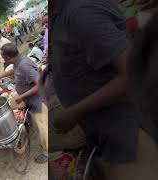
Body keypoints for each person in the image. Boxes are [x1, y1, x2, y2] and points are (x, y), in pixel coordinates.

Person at [47, 0, 139, 179]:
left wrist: (75, 111)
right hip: (100, 127)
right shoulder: (59, 13)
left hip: (122, 128)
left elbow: (132, 76)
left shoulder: (82, 13)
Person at [0, 43, 48, 163]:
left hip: (38, 100)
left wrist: (21, 96)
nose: (3, 59)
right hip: (29, 99)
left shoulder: (24, 65)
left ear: (7, 57)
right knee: (14, 106)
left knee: (43, 127)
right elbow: (14, 70)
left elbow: (39, 85)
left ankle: (46, 153)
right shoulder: (19, 61)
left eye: (3, 57)